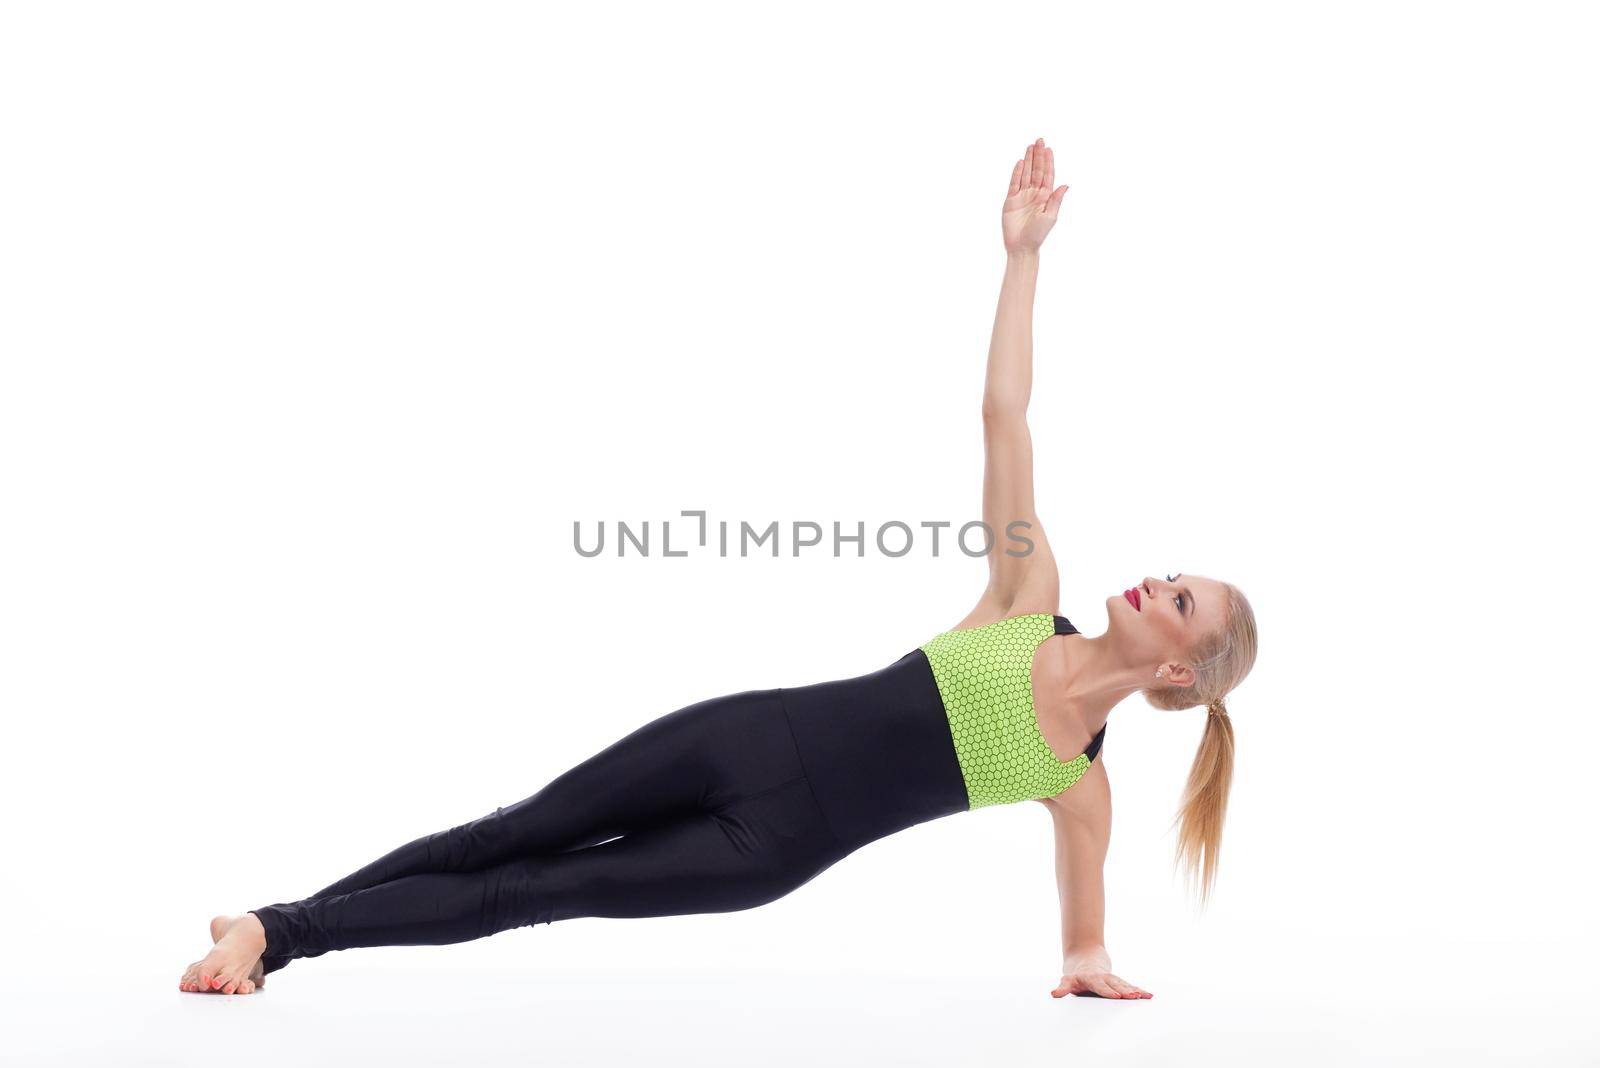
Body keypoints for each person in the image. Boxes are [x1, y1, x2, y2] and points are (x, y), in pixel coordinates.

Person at [179, 137, 1258, 1000]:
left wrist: (1083, 963)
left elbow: (1081, 934)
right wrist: (1021, 259)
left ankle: (277, 933)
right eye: (1172, 574)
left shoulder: (1078, 783)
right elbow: (1004, 417)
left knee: (530, 891)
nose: (1154, 583)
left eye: (1179, 600)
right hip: (744, 734)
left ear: (1178, 673)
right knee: (506, 835)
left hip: (768, 848)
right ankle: (275, 929)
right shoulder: (1030, 599)